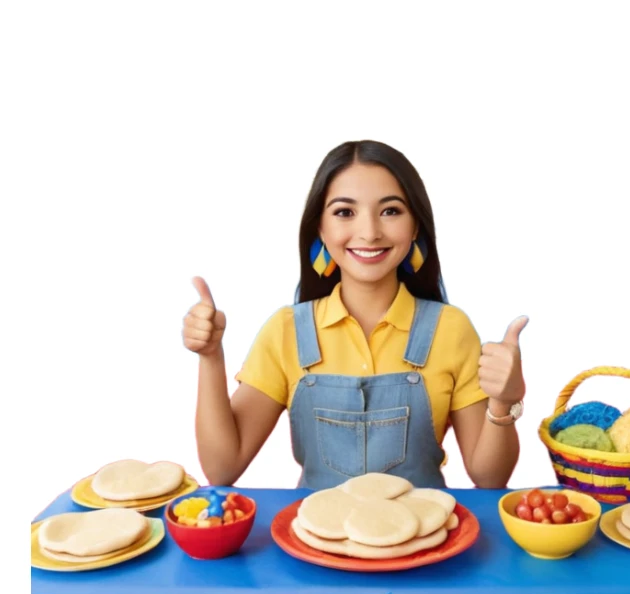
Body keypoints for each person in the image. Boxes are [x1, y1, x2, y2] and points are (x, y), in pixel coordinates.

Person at [183, 140, 528, 490]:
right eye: (345, 212)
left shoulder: (450, 329)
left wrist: (504, 402)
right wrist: (211, 357)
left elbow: (490, 478)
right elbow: (222, 469)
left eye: (390, 211)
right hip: (313, 539)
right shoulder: (286, 331)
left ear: (416, 227)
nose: (369, 232)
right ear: (320, 227)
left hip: (426, 538)